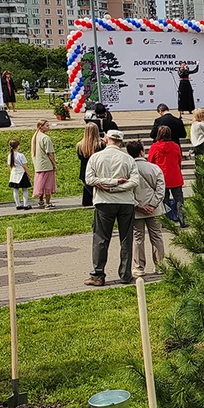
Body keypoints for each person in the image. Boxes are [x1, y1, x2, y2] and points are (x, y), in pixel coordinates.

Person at [83, 129, 140, 286]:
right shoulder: (128, 159)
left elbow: (89, 179)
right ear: (120, 142)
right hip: (126, 202)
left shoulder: (96, 158)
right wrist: (116, 184)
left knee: (101, 238)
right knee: (126, 239)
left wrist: (109, 186)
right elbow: (135, 181)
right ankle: (125, 274)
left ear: (106, 139)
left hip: (104, 201)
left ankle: (98, 275)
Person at [126, 140, 165, 278]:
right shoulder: (154, 168)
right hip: (154, 209)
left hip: (136, 210)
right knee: (157, 237)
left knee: (138, 238)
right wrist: (152, 205)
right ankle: (160, 266)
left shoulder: (128, 170)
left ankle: (139, 267)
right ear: (142, 151)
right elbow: (161, 189)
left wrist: (138, 205)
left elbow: (127, 191)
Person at [147, 127, 185, 227]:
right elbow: (179, 160)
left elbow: (150, 162)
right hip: (175, 176)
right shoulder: (175, 146)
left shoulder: (154, 147)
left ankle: (167, 221)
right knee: (179, 200)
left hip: (161, 177)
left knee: (164, 200)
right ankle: (182, 220)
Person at [76, 122, 104, 207]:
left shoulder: (79, 145)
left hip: (85, 171)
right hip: (97, 171)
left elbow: (80, 158)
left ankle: (87, 202)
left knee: (87, 189)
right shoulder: (101, 144)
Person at [31, 118, 57, 209]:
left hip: (38, 164)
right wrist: (54, 164)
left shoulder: (35, 136)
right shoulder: (46, 138)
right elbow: (50, 153)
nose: (48, 127)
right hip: (46, 165)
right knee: (48, 184)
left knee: (40, 183)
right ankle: (48, 203)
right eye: (47, 126)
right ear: (40, 127)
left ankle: (41, 200)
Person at [7, 139, 32, 210]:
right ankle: (25, 204)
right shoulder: (21, 155)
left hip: (14, 173)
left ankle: (18, 204)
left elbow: (10, 166)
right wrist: (28, 174)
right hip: (21, 173)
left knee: (15, 189)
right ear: (17, 146)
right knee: (25, 189)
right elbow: (24, 166)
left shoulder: (9, 156)